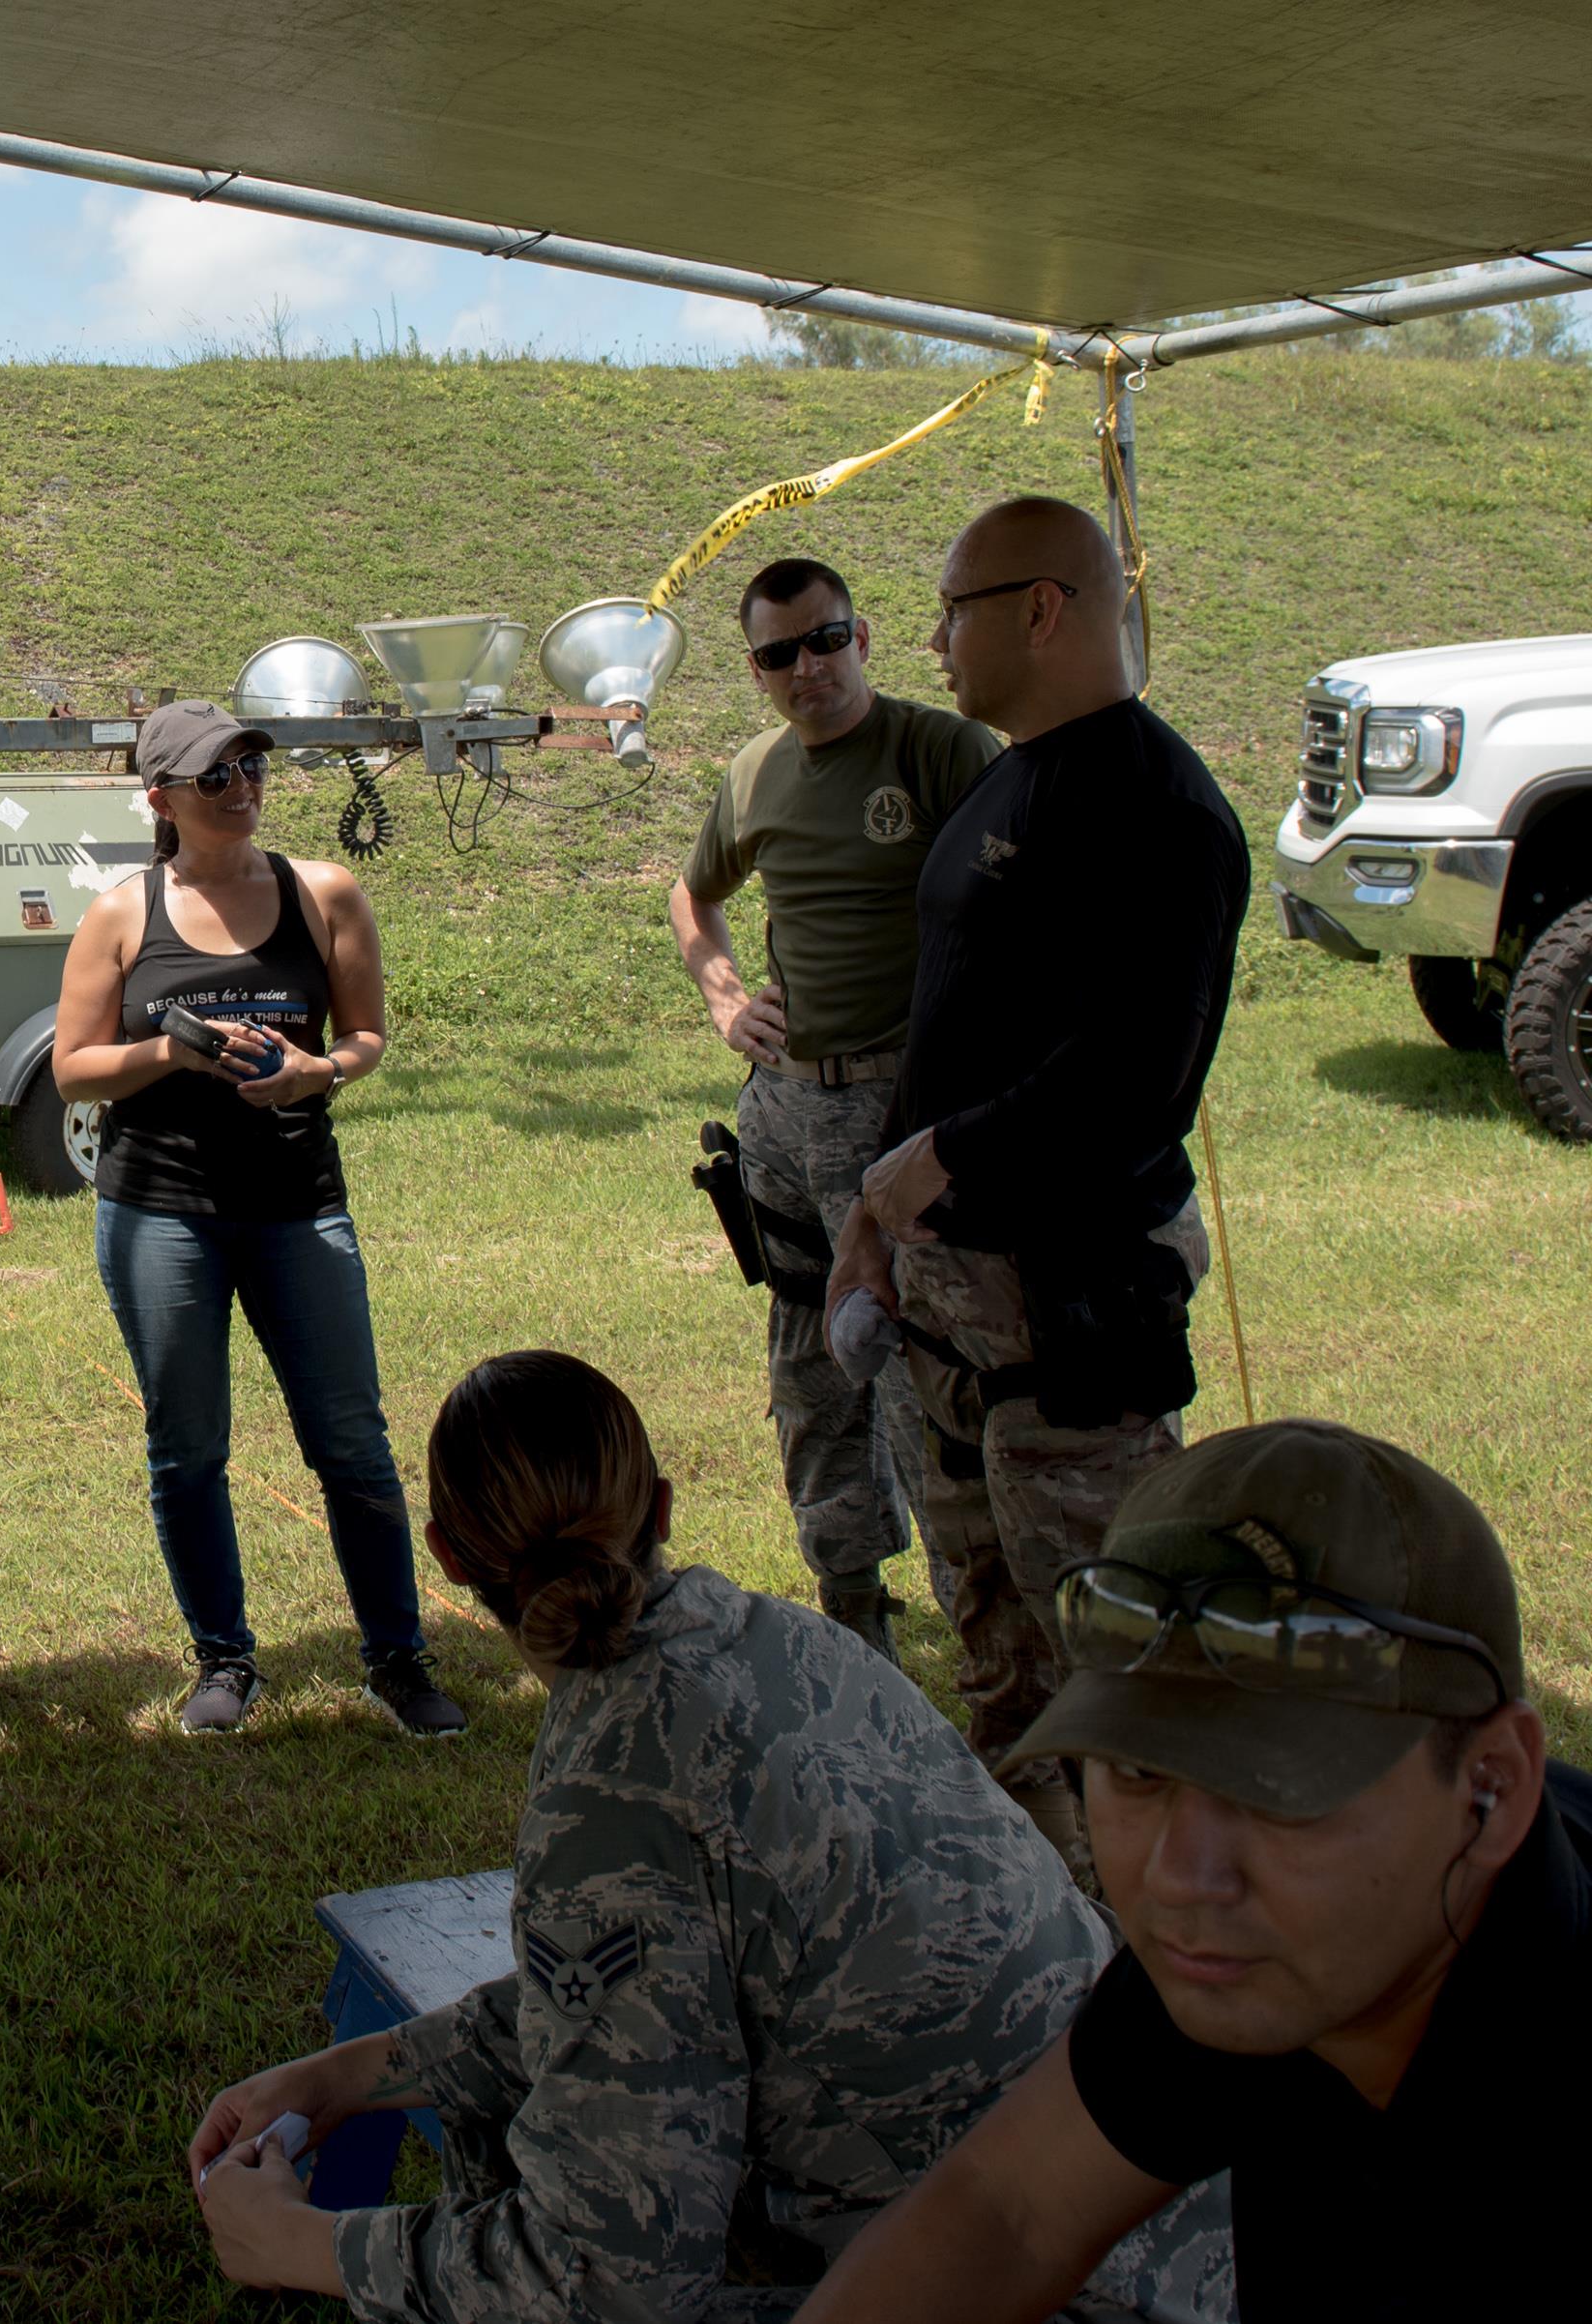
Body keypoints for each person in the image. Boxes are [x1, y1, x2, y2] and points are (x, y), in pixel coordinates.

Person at [188, 1351, 1227, 2324]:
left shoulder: (616, 1790)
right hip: (1178, 2227)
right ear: (664, 1506)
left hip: (1049, 2280)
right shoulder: (796, 1646)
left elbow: (602, 2278)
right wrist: (349, 2076)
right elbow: (636, 2008)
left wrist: (305, 2245)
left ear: (450, 1559)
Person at [805, 1419, 1577, 2323]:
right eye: (1138, 1770)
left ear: (1494, 1787)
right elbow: (1009, 2213)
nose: (1181, 1874)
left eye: (1278, 1789)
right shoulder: (1281, 1942)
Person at [826, 494, 1251, 1881]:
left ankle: (1176, 1983)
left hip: (1065, 1329)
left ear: (1044, 608)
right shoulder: (1004, 784)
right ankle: (1041, 1958)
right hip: (953, 1322)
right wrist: (872, 1218)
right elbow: (946, 1026)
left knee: (1133, 1685)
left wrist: (940, 1161)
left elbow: (1138, 1075)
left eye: (954, 607)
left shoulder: (1160, 808)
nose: (933, 639)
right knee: (1003, 1672)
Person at [51, 699, 460, 1740]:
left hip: (297, 1208)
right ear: (161, 799)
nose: (241, 789)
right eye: (214, 776)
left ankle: (399, 1659)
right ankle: (224, 1658)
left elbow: (366, 1035)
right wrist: (172, 1054)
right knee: (187, 1448)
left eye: (249, 768)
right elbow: (71, 1071)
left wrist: (318, 1069)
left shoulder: (322, 892)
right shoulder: (121, 913)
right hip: (160, 1210)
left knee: (353, 1445)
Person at [667, 556, 998, 1662]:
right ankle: (852, 1606)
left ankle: (979, 1616)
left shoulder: (941, 751)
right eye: (779, 653)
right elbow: (694, 892)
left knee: (919, 1369)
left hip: (906, 1103)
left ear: (865, 636)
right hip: (786, 1114)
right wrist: (724, 998)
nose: (808, 667)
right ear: (755, 670)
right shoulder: (757, 771)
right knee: (809, 1362)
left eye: (826, 639)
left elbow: (1014, 906)